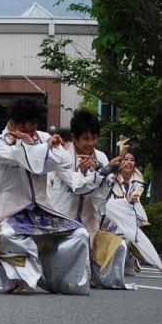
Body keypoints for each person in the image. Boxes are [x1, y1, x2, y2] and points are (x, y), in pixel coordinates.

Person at [0, 97, 91, 295]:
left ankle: (61, 281)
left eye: (34, 129)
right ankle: (20, 278)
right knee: (7, 236)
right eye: (26, 130)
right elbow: (26, 160)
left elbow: (62, 161)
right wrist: (39, 147)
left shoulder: (43, 138)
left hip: (43, 209)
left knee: (80, 234)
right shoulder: (0, 143)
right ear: (13, 124)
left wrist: (49, 146)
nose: (31, 134)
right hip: (12, 211)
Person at [48, 110, 124, 288]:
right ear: (74, 137)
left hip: (91, 222)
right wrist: (101, 172)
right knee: (70, 277)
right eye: (86, 139)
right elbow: (78, 187)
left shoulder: (101, 157)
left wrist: (101, 170)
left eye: (95, 138)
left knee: (117, 249)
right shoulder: (63, 157)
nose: (91, 143)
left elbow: (105, 191)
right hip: (64, 220)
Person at [101, 149, 162, 277]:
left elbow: (135, 203)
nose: (129, 162)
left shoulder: (137, 182)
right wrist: (125, 202)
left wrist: (128, 203)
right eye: (126, 159)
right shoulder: (111, 179)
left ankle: (128, 260)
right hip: (106, 220)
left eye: (132, 160)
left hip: (127, 219)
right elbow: (106, 203)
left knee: (128, 231)